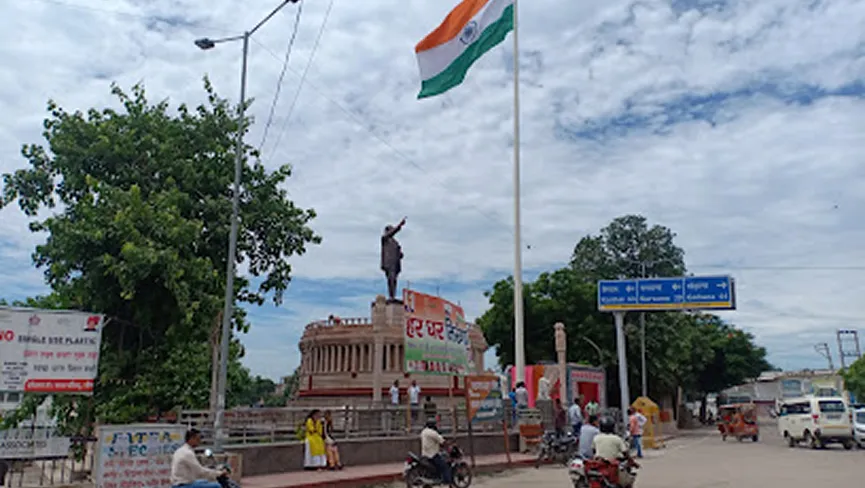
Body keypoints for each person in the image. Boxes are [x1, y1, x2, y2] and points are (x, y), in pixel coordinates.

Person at [592, 417, 636, 488]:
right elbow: (625, 452)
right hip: (614, 464)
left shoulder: (596, 438)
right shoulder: (617, 438)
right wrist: (631, 460)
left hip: (599, 463)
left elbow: (593, 450)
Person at [380, 217, 406, 301]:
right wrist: (399, 225)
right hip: (389, 263)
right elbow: (392, 233)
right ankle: (391, 296)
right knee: (390, 279)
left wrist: (400, 254)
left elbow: (399, 253)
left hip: (395, 263)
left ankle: (393, 295)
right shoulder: (385, 238)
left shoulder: (395, 242)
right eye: (391, 229)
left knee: (394, 279)